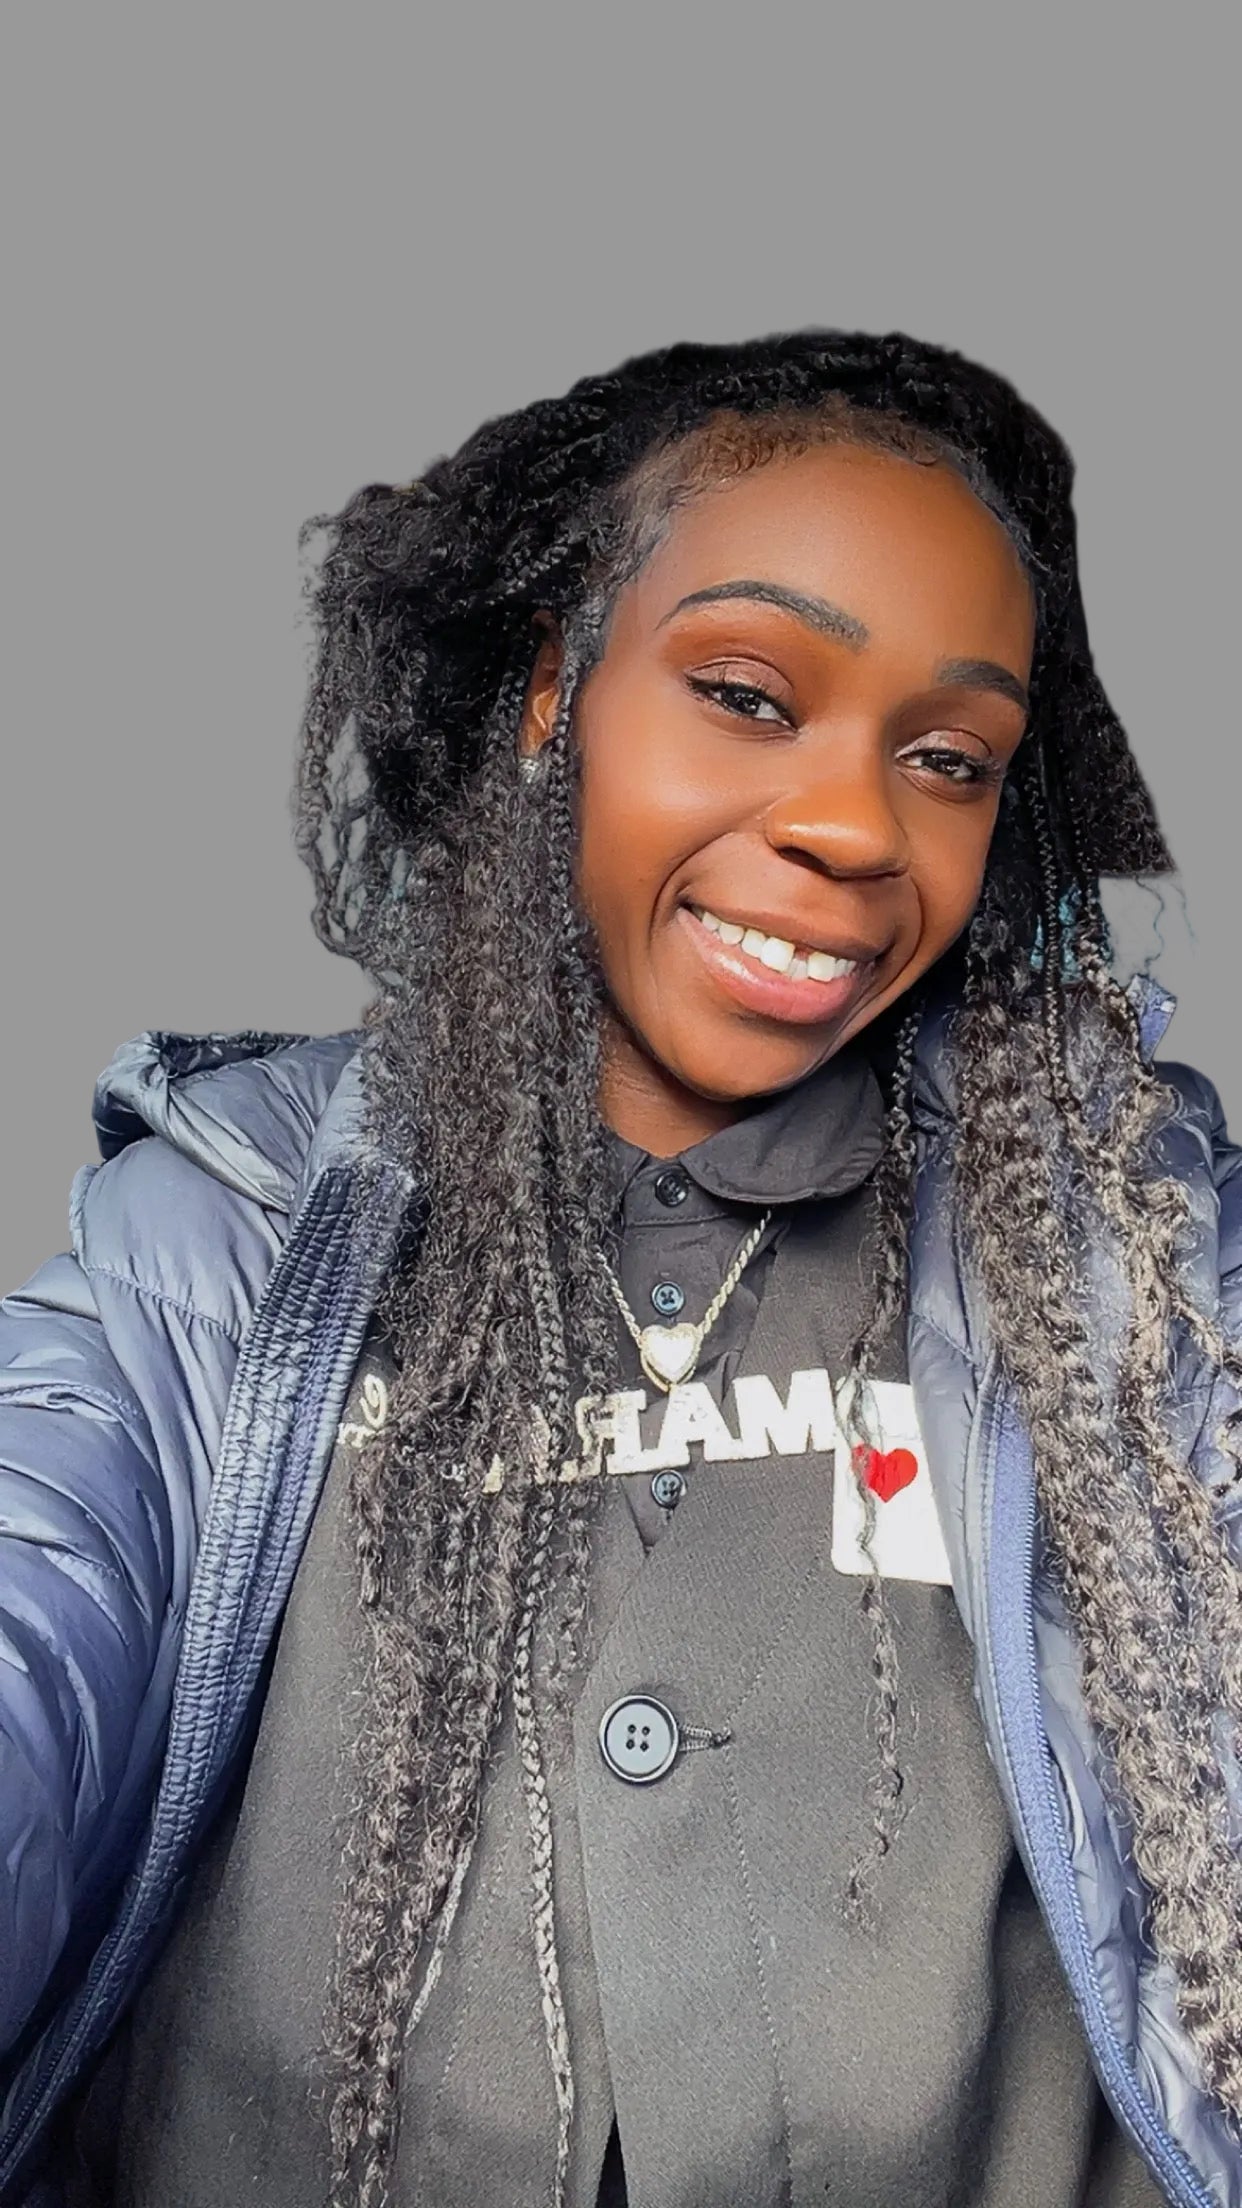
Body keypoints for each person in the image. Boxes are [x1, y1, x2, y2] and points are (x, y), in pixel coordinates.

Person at [0, 327, 1236, 2208]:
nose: (851, 823)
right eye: (748, 691)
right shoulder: (225, 1237)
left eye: (946, 756)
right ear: (547, 699)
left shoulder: (1131, 1264)